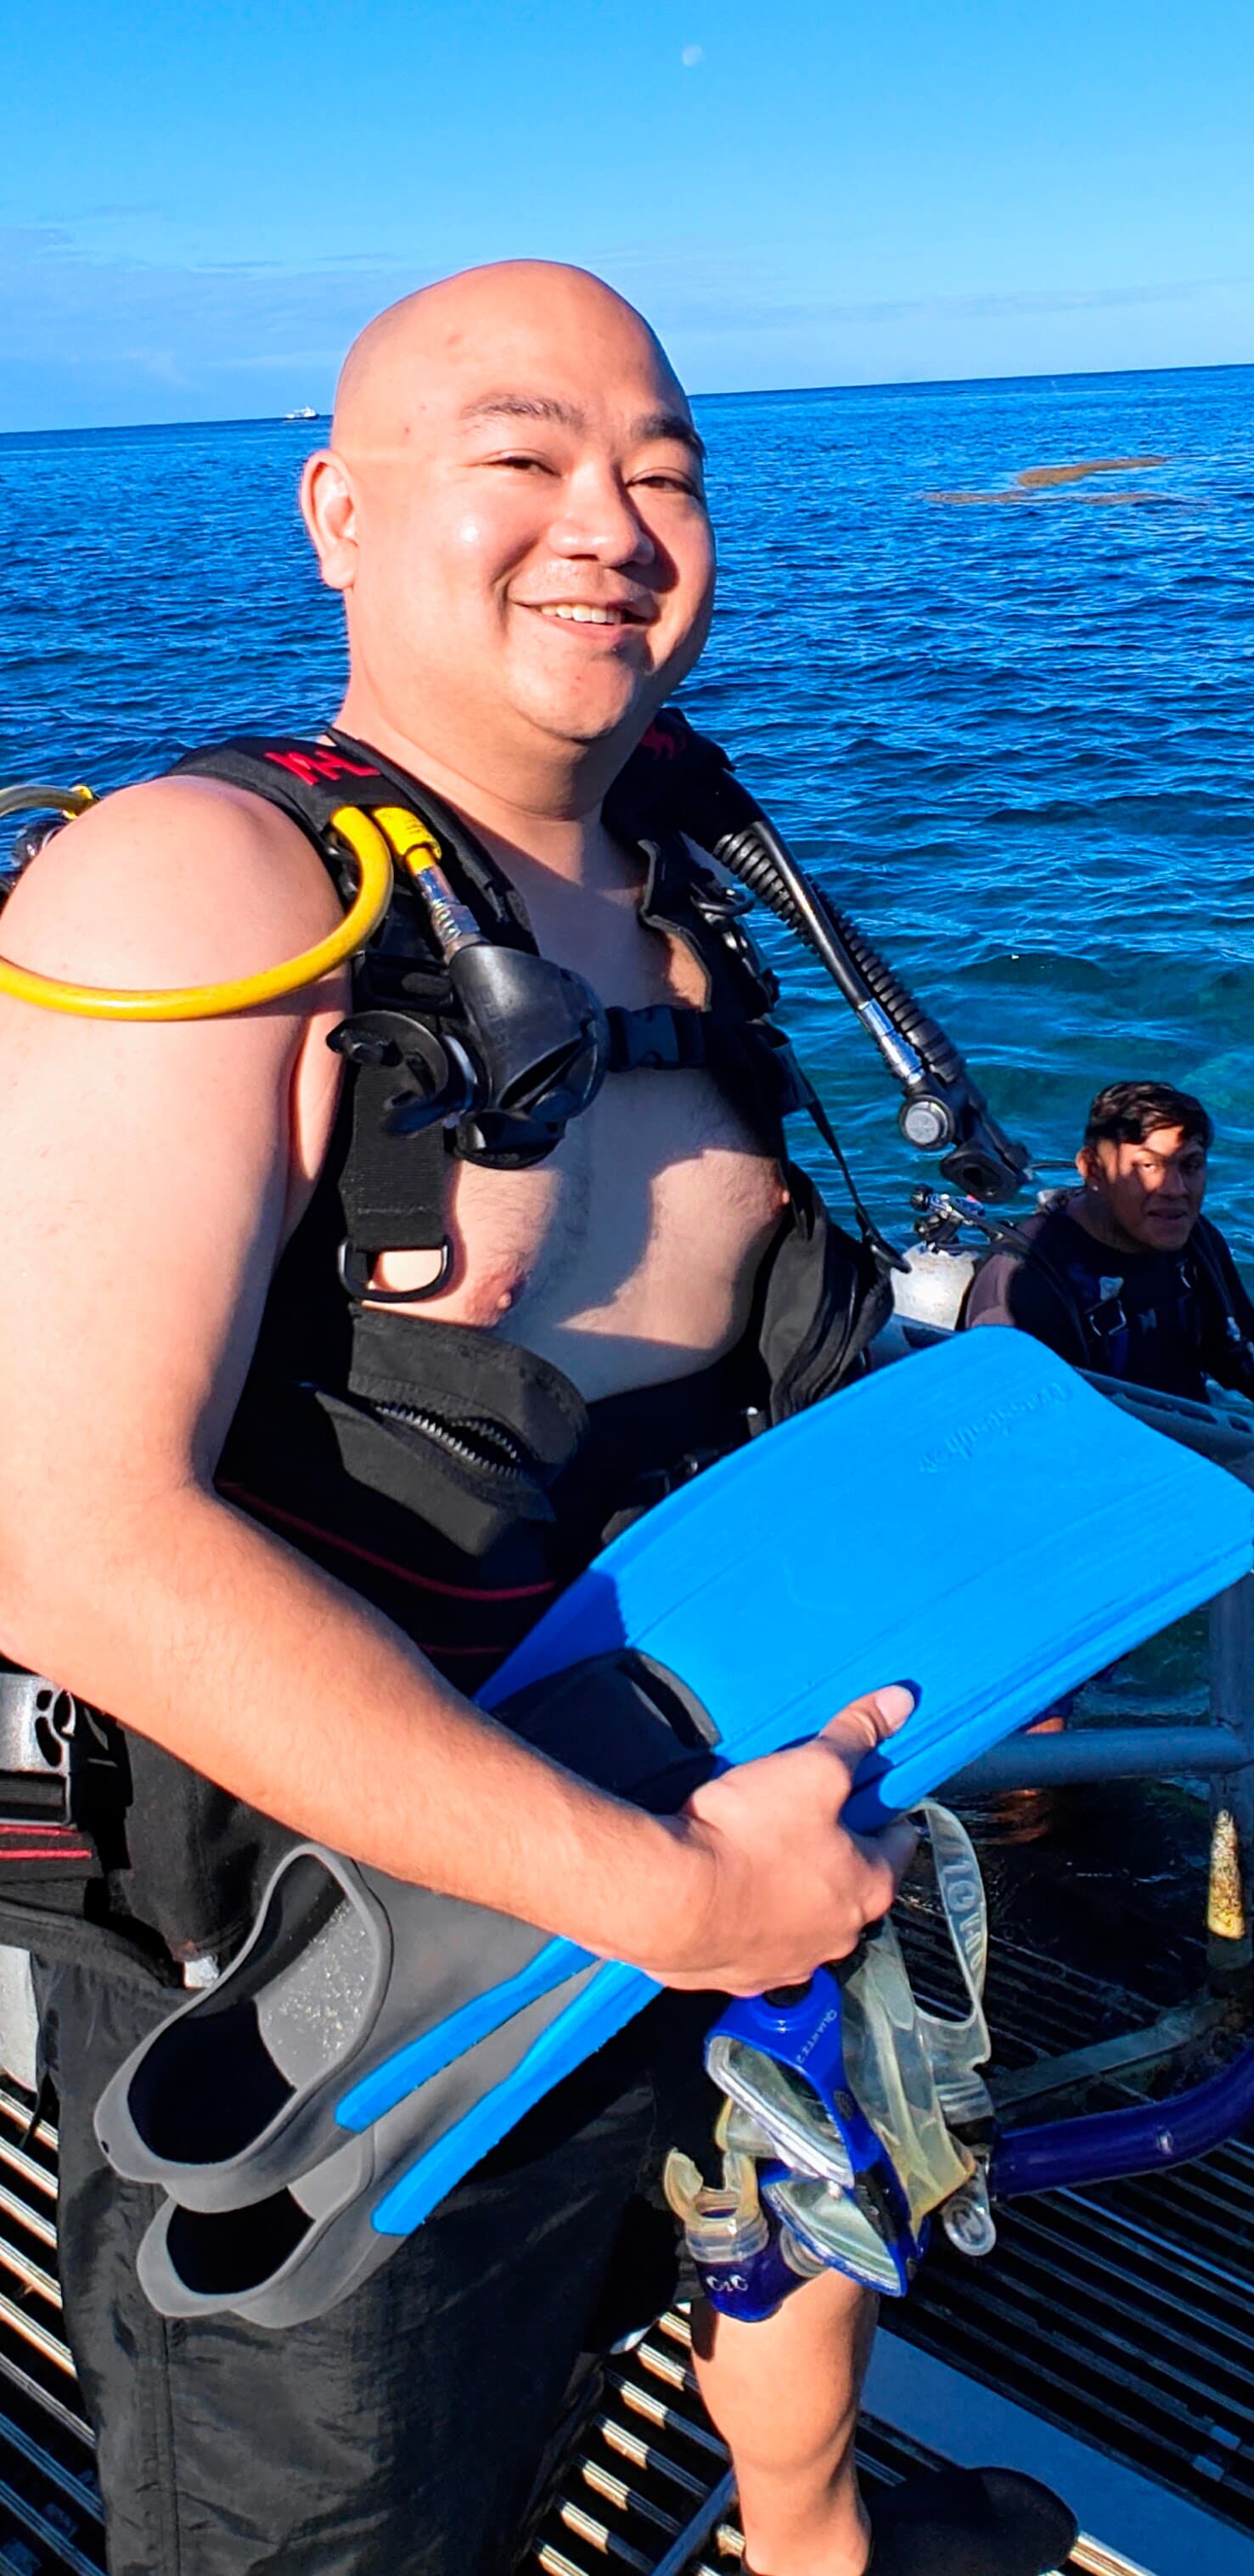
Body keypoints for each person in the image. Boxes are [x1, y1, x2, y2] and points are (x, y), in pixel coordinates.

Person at [0, 265, 1074, 2576]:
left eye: (665, 470)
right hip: (336, 1997)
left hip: (654, 1929)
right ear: (340, 510)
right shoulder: (209, 890)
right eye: (525, 453)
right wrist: (671, 1889)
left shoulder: (681, 911)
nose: (611, 519)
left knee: (684, 2320)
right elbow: (55, 1528)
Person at [964, 1078, 1254, 1497]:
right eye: (1146, 1166)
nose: (1174, 1189)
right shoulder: (1024, 1283)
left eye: (1190, 1165)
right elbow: (1008, 1442)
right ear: (1092, 1171)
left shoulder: (1194, 1245)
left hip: (1187, 1475)